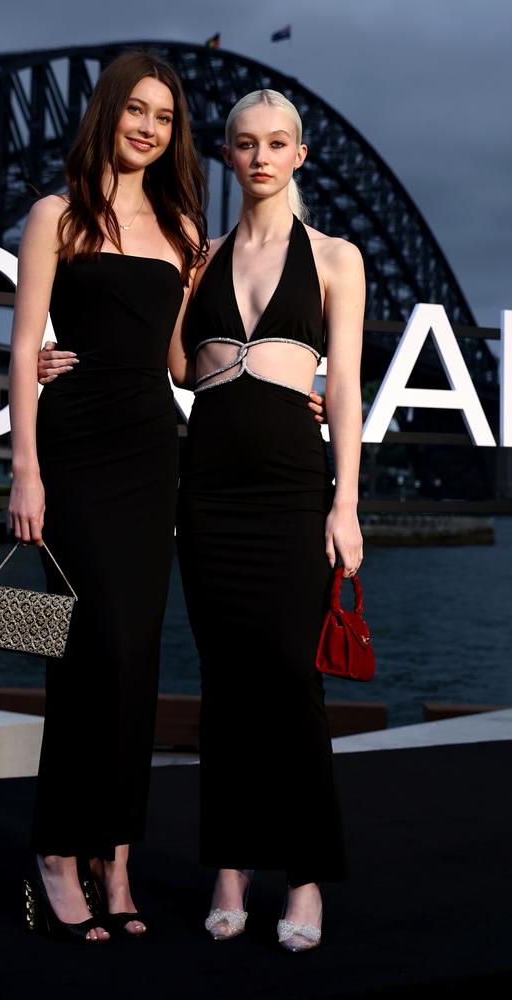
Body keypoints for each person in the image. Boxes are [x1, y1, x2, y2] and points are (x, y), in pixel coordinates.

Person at [8, 50, 207, 943]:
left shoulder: (180, 227)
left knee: (136, 660)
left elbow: (173, 363)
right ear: (108, 113)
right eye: (136, 110)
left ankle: (115, 855)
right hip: (75, 446)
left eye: (163, 117)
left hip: (147, 449)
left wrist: (283, 379)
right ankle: (56, 852)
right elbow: (24, 350)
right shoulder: (57, 215)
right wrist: (25, 468)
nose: (148, 127)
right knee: (83, 655)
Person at [170, 89, 364, 953]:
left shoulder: (335, 257)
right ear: (226, 154)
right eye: (245, 144)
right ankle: (230, 868)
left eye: (276, 143)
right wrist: (57, 356)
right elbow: (174, 361)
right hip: (207, 490)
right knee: (227, 686)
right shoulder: (199, 258)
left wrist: (346, 501)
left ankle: (308, 878)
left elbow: (349, 388)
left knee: (292, 680)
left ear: (300, 155)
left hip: (292, 489)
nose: (260, 157)